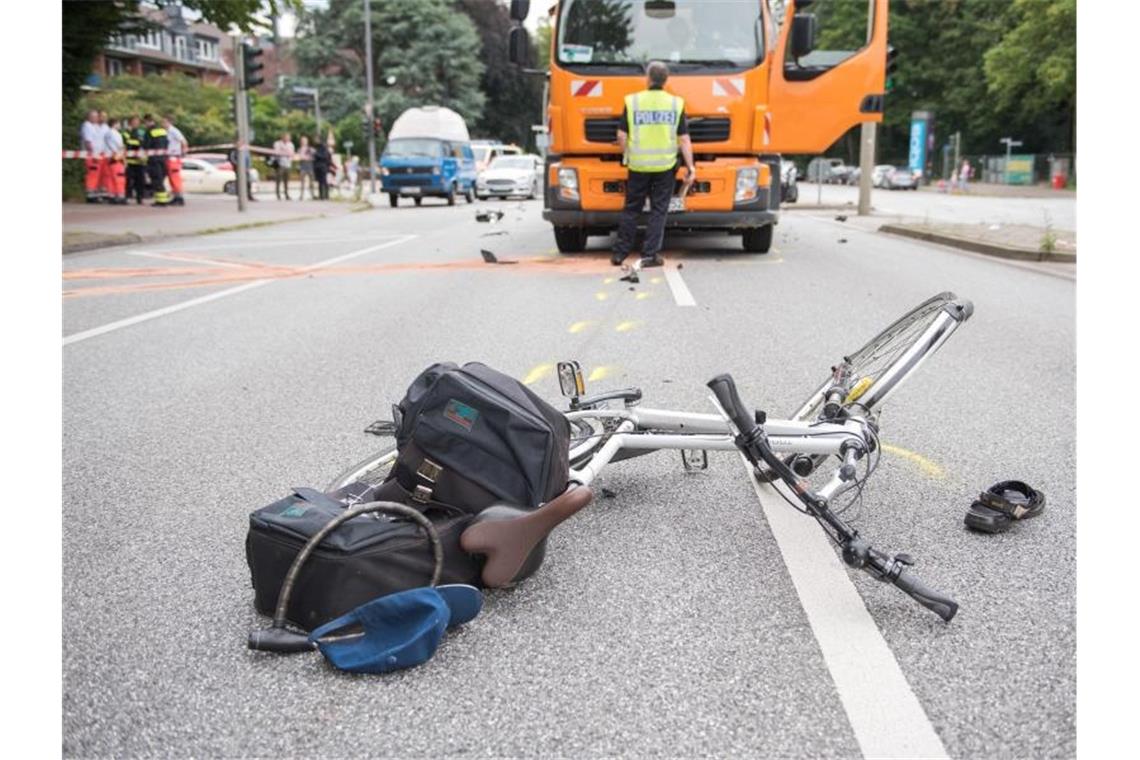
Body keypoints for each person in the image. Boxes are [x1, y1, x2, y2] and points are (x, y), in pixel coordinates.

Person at [612, 61, 695, 267]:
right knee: (659, 210)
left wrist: (627, 155)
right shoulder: (676, 103)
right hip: (665, 167)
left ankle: (620, 253)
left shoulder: (633, 102)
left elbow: (621, 135)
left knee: (632, 208)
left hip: (638, 166)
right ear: (666, 81)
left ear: (647, 79)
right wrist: (691, 167)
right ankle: (650, 255)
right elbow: (684, 139)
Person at [143, 114, 172, 206]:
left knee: (156, 180)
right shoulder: (162, 130)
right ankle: (162, 199)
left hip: (154, 160)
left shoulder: (149, 131)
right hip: (163, 158)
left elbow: (146, 146)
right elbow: (167, 143)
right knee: (160, 179)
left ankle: (161, 201)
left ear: (148, 122)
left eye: (145, 123)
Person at [162, 115, 188, 206]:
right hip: (169, 157)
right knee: (171, 179)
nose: (163, 124)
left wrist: (183, 152)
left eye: (164, 122)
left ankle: (179, 197)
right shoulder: (167, 131)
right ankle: (175, 196)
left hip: (174, 157)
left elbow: (183, 141)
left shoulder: (174, 131)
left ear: (169, 122)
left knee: (175, 178)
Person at [123, 115, 147, 205]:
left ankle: (140, 197)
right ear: (130, 122)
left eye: (137, 121)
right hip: (129, 161)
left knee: (140, 181)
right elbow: (126, 144)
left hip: (140, 161)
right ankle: (127, 196)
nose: (136, 123)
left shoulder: (141, 132)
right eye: (134, 121)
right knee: (128, 180)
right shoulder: (126, 132)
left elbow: (144, 144)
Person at [103, 117, 128, 204]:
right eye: (118, 123)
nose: (119, 125)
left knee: (110, 178)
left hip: (109, 158)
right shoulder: (116, 133)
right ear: (114, 124)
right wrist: (124, 159)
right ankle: (121, 196)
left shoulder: (107, 133)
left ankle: (111, 196)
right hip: (117, 157)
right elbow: (120, 146)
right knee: (119, 178)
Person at [80, 111, 102, 203]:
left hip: (97, 155)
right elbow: (88, 141)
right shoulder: (87, 126)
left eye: (97, 116)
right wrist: (92, 154)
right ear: (89, 117)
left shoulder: (95, 126)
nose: (97, 118)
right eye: (94, 117)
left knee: (96, 175)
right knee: (92, 175)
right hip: (91, 155)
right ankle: (90, 195)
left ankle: (94, 194)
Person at [272, 132, 295, 200]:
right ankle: (278, 194)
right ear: (283, 137)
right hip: (280, 164)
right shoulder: (277, 143)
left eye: (288, 137)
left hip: (288, 164)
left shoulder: (291, 145)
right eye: (286, 137)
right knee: (278, 180)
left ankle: (286, 194)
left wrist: (289, 157)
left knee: (286, 181)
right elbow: (276, 153)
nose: (287, 138)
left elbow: (292, 154)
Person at [313, 135, 331, 200]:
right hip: (318, 167)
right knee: (320, 182)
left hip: (323, 166)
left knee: (324, 181)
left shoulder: (324, 147)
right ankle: (321, 196)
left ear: (319, 139)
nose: (315, 140)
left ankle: (326, 196)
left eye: (316, 139)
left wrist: (315, 154)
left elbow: (325, 157)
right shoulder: (316, 147)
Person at [297, 136, 314, 200]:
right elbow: (298, 157)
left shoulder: (311, 149)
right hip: (302, 167)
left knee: (311, 182)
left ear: (307, 141)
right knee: (302, 182)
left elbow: (313, 158)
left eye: (305, 140)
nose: (304, 142)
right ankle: (301, 195)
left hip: (310, 167)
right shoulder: (299, 149)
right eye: (302, 140)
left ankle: (312, 194)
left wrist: (307, 158)